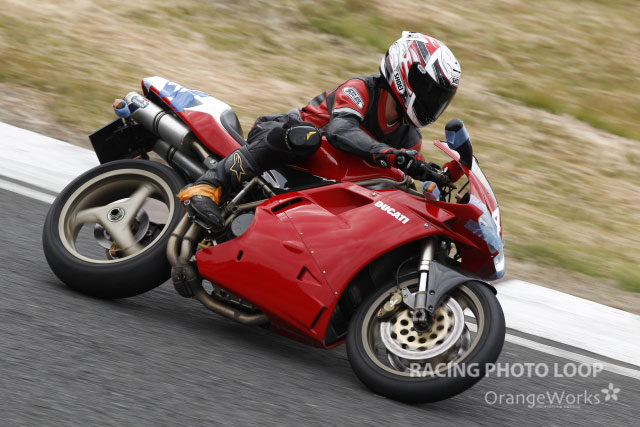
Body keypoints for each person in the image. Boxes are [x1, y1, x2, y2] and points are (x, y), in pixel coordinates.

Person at [177, 31, 462, 230]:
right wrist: (389, 155)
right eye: (428, 90)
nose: (432, 102)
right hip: (280, 138)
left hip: (322, 181)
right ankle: (207, 186)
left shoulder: (411, 139)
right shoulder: (361, 89)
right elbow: (340, 131)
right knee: (307, 137)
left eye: (439, 97)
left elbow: (395, 178)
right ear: (405, 73)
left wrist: (428, 175)